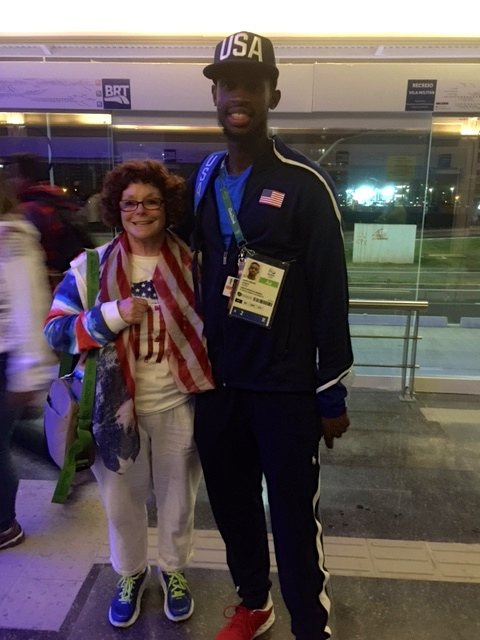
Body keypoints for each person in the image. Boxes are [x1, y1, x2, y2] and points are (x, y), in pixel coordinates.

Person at [186, 32, 354, 640]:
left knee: (291, 518)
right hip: (219, 383)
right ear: (214, 94)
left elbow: (332, 293)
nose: (238, 96)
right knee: (232, 509)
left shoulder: (305, 184)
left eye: (251, 86)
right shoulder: (204, 177)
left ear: (272, 94)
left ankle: (311, 625)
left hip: (284, 390)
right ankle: (254, 604)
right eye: (227, 84)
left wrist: (330, 391)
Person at [43, 160, 214, 628]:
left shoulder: (196, 265)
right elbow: (56, 332)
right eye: (130, 203)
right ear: (116, 210)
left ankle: (174, 571)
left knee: (179, 500)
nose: (141, 211)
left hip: (180, 402)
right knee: (121, 504)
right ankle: (131, 573)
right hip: (112, 409)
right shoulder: (89, 268)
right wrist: (112, 315)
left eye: (152, 201)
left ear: (168, 207)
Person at [0, 172, 57, 551]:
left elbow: (29, 304)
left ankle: (4, 524)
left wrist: (29, 371)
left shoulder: (11, 240)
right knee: (10, 432)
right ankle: (65, 460)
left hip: (7, 358)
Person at [3, 153, 94, 280]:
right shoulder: (55, 200)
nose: (8, 182)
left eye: (11, 176)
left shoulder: (29, 210)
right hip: (73, 276)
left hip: (52, 282)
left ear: (23, 177)